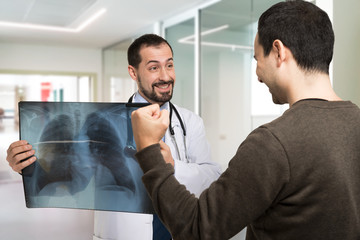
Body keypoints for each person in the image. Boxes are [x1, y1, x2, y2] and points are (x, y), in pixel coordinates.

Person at [130, 1, 360, 240]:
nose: (258, 75)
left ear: (279, 52)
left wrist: (148, 151)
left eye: (257, 59)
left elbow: (196, 228)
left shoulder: (272, 143)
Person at [6, 33, 222, 240]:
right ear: (133, 72)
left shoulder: (190, 122)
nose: (165, 76)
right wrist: (29, 166)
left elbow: (211, 176)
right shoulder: (101, 120)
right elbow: (75, 180)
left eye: (169, 65)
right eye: (154, 67)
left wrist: (171, 165)